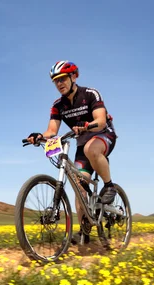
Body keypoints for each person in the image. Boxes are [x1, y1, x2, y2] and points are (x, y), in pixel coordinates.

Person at [26, 60, 118, 244]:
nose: (59, 83)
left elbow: (100, 120)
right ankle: (85, 229)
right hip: (82, 143)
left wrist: (87, 126)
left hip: (103, 135)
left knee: (90, 148)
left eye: (62, 79)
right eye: (55, 81)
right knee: (78, 184)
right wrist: (39, 137)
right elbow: (52, 131)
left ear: (73, 76)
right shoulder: (58, 106)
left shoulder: (90, 94)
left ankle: (109, 186)